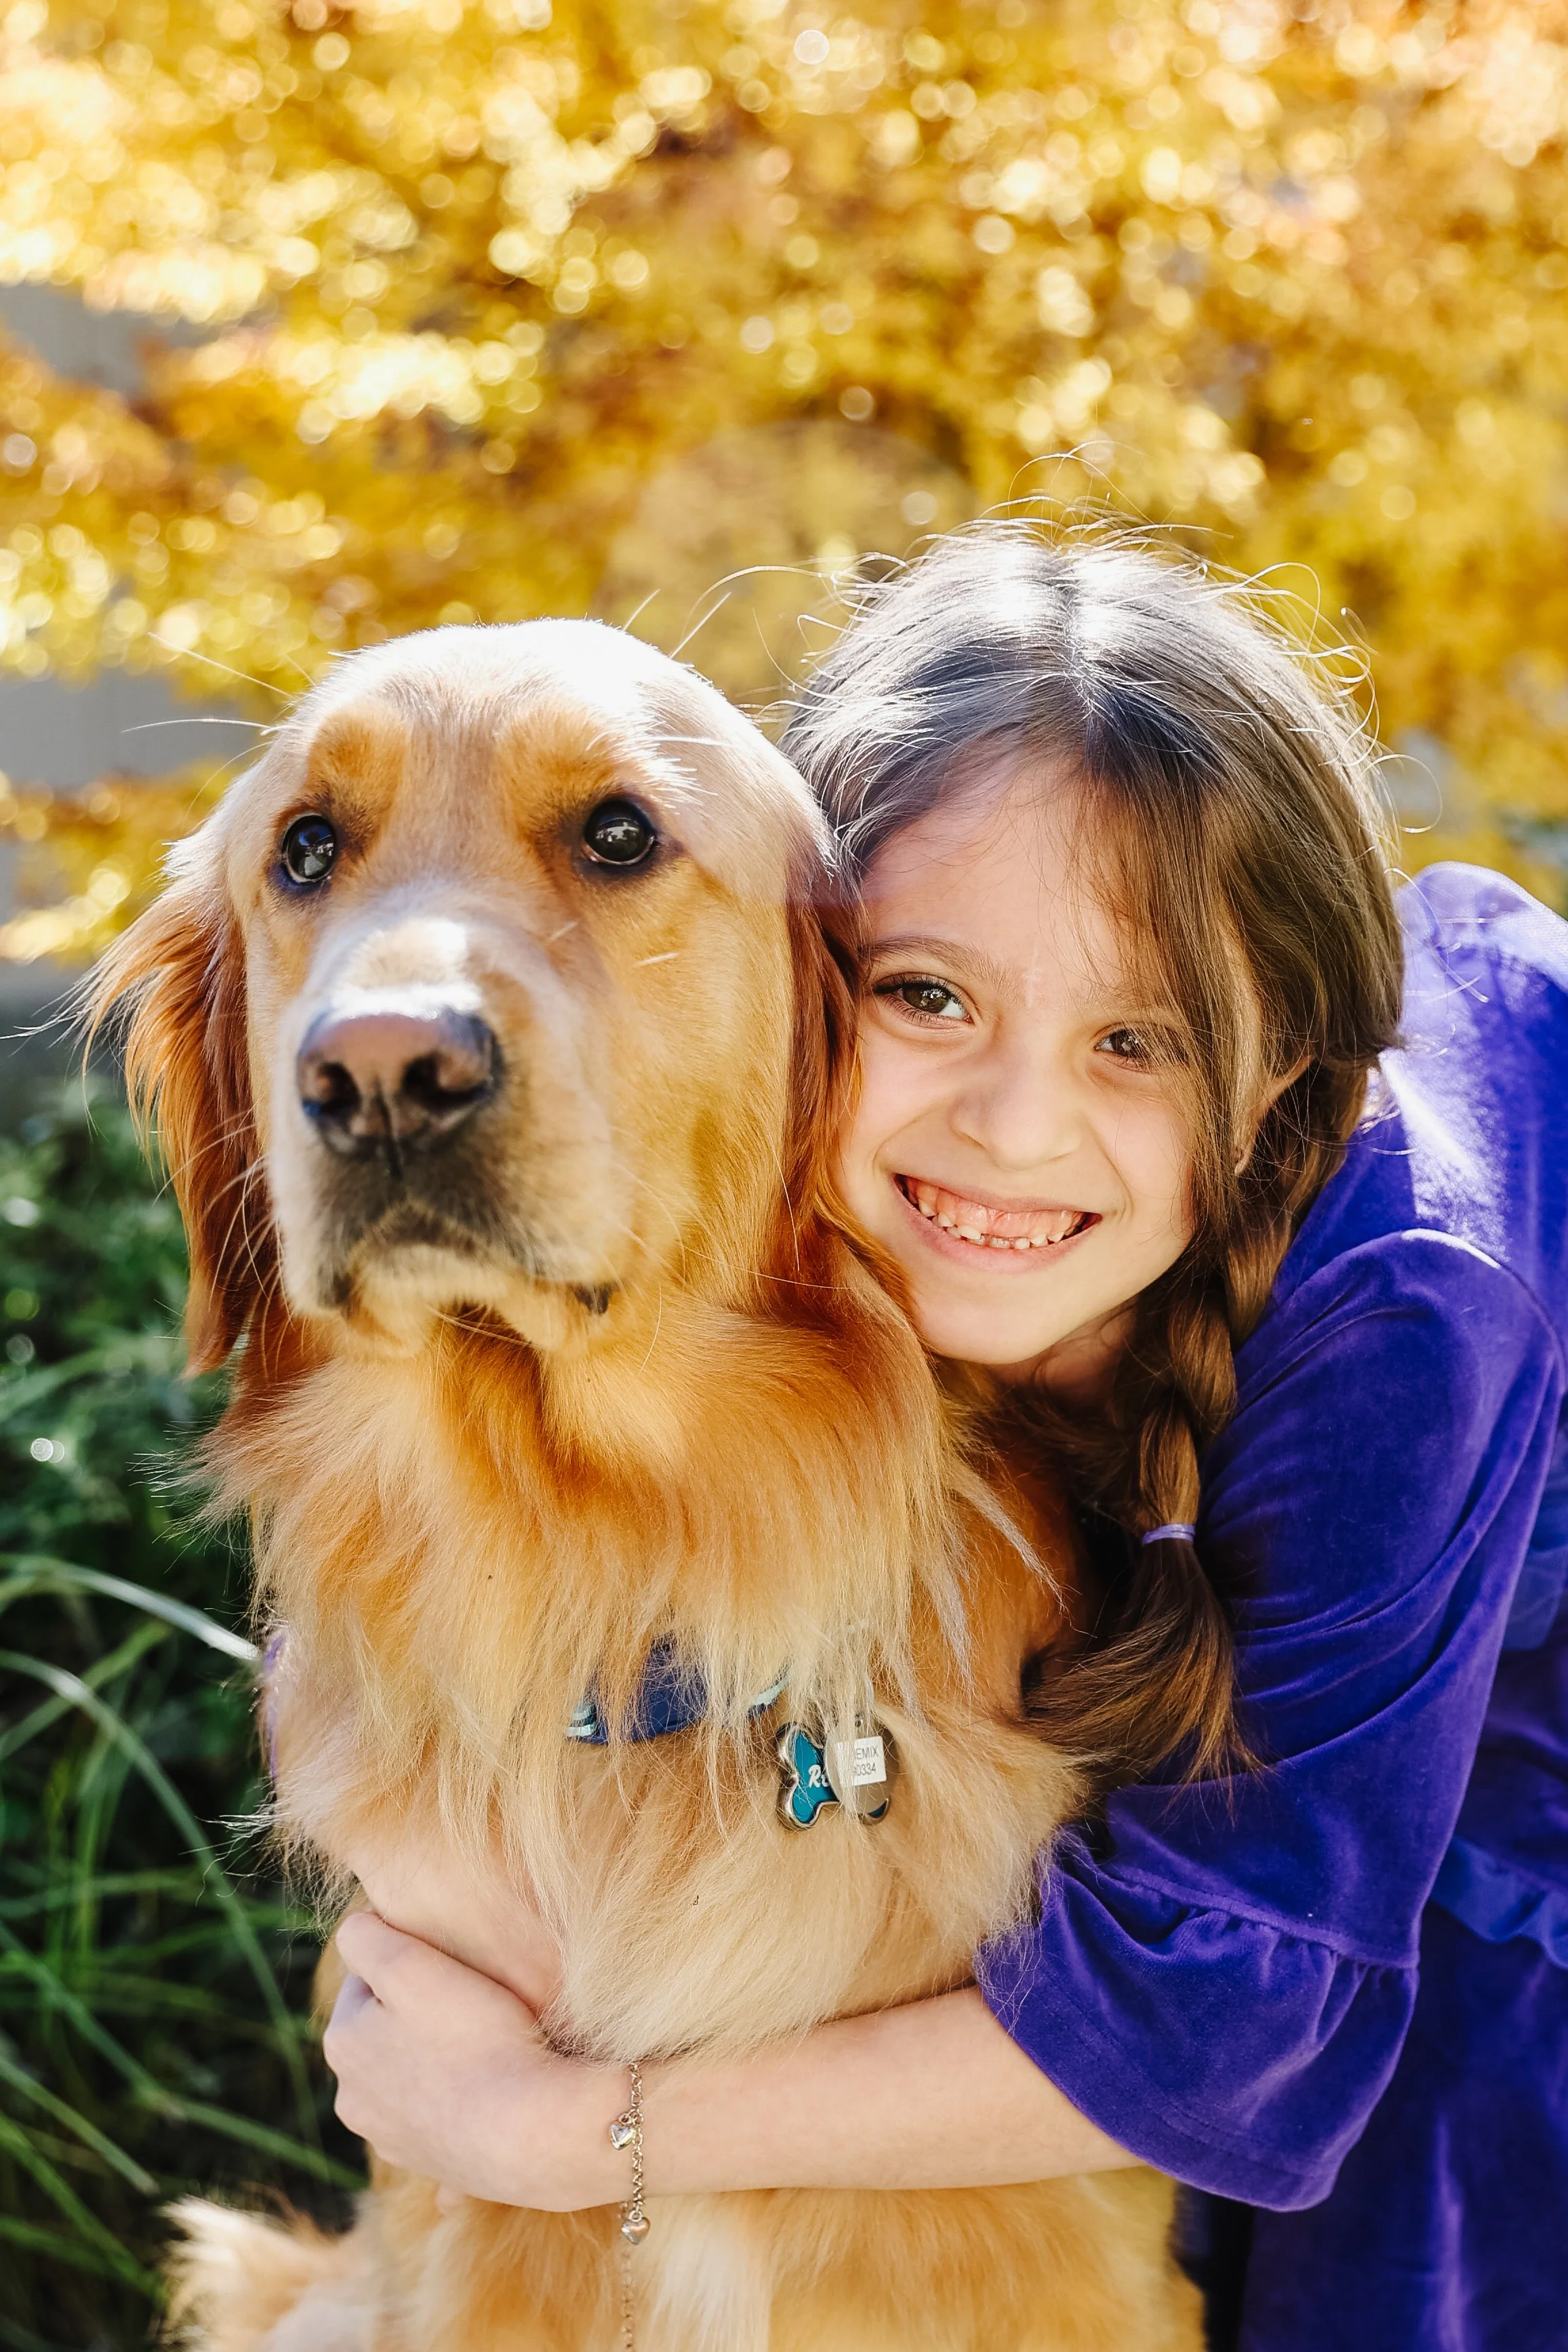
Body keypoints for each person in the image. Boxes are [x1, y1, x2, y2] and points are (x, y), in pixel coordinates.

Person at [324, 530, 1568, 2352]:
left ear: (1282, 1064)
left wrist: (566, 2130)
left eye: (1139, 1038)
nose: (1010, 1124)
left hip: (1477, 1910)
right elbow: (447, 1524)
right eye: (927, 992)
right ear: (785, 974)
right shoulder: (757, 1161)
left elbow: (1232, 2034)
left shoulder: (1417, 1305)